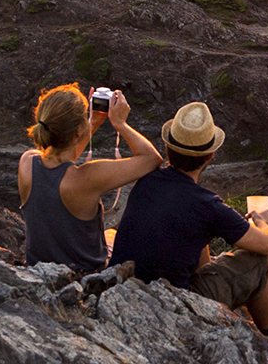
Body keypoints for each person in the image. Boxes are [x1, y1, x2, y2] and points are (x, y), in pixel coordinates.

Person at [108, 101, 268, 337]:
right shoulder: (208, 205)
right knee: (263, 263)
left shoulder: (145, 181)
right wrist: (266, 223)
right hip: (174, 304)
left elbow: (193, 242)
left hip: (122, 291)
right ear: (210, 156)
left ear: (168, 147)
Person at [18, 83, 162, 272]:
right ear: (78, 131)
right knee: (115, 236)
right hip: (83, 277)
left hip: (38, 271)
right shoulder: (87, 178)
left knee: (109, 233)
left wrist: (92, 123)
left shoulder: (27, 162)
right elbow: (151, 159)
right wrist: (120, 124)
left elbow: (60, 158)